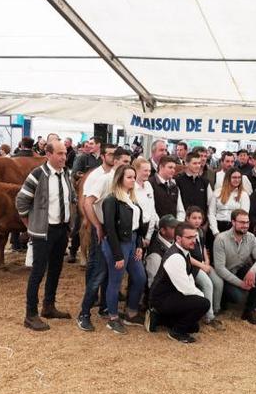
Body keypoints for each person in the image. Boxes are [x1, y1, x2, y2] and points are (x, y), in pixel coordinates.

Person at [15, 139, 75, 331]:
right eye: (60, 154)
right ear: (48, 155)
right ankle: (30, 314)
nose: (64, 157)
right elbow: (21, 202)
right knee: (38, 272)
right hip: (43, 231)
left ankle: (48, 306)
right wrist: (31, 225)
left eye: (65, 154)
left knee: (56, 269)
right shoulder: (38, 174)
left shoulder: (66, 174)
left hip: (60, 229)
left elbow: (70, 198)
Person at [100, 165, 147, 334]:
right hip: (117, 244)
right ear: (120, 178)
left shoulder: (131, 199)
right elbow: (110, 229)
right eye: (129, 177)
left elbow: (138, 226)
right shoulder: (111, 200)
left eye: (134, 177)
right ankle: (112, 318)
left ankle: (131, 312)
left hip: (133, 242)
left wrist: (139, 245)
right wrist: (117, 254)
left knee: (140, 277)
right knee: (115, 281)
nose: (133, 180)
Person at [76, 143, 118, 331]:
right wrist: (95, 224)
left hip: (111, 230)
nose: (113, 158)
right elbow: (87, 202)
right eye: (111, 155)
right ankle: (86, 308)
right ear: (104, 156)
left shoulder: (120, 178)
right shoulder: (97, 176)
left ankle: (103, 304)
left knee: (105, 269)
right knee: (97, 266)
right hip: (98, 226)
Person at [147, 222, 211, 343]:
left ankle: (158, 318)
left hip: (171, 295)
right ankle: (177, 332)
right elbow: (185, 289)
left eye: (194, 237)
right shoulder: (175, 257)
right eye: (189, 237)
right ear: (178, 238)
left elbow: (189, 279)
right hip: (161, 299)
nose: (193, 240)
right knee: (204, 304)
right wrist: (201, 297)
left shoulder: (184, 251)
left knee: (194, 327)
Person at [212, 209, 256, 325]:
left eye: (247, 222)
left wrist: (252, 271)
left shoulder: (251, 238)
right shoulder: (221, 239)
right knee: (238, 298)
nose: (245, 225)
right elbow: (220, 268)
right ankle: (223, 300)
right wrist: (240, 284)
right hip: (224, 275)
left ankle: (249, 311)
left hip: (240, 270)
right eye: (242, 222)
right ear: (233, 222)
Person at [184, 206, 225, 330]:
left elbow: (202, 247)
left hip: (202, 263)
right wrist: (202, 266)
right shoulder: (184, 231)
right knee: (207, 284)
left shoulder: (201, 231)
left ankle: (215, 309)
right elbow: (185, 255)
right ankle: (209, 316)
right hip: (191, 265)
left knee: (218, 282)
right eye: (194, 218)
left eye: (200, 218)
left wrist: (206, 261)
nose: (197, 221)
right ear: (187, 218)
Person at [209, 167, 250, 236]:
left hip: (234, 228)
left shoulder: (244, 195)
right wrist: (215, 231)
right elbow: (211, 213)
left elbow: (243, 215)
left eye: (239, 177)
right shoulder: (217, 192)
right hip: (217, 226)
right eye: (234, 177)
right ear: (228, 178)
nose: (237, 180)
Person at [149, 155, 185, 220]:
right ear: (161, 167)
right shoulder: (150, 184)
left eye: (174, 168)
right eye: (170, 167)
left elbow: (180, 210)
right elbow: (150, 210)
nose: (173, 170)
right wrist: (160, 225)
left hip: (173, 226)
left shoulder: (175, 187)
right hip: (155, 227)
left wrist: (177, 224)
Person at [145, 214, 179, 284]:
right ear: (163, 231)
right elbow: (154, 284)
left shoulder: (176, 243)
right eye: (173, 227)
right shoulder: (155, 255)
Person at [132, 157, 158, 247]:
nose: (148, 173)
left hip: (148, 229)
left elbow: (152, 210)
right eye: (145, 170)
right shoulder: (131, 188)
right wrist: (139, 238)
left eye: (149, 171)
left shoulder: (148, 185)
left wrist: (148, 236)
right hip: (135, 230)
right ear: (135, 170)